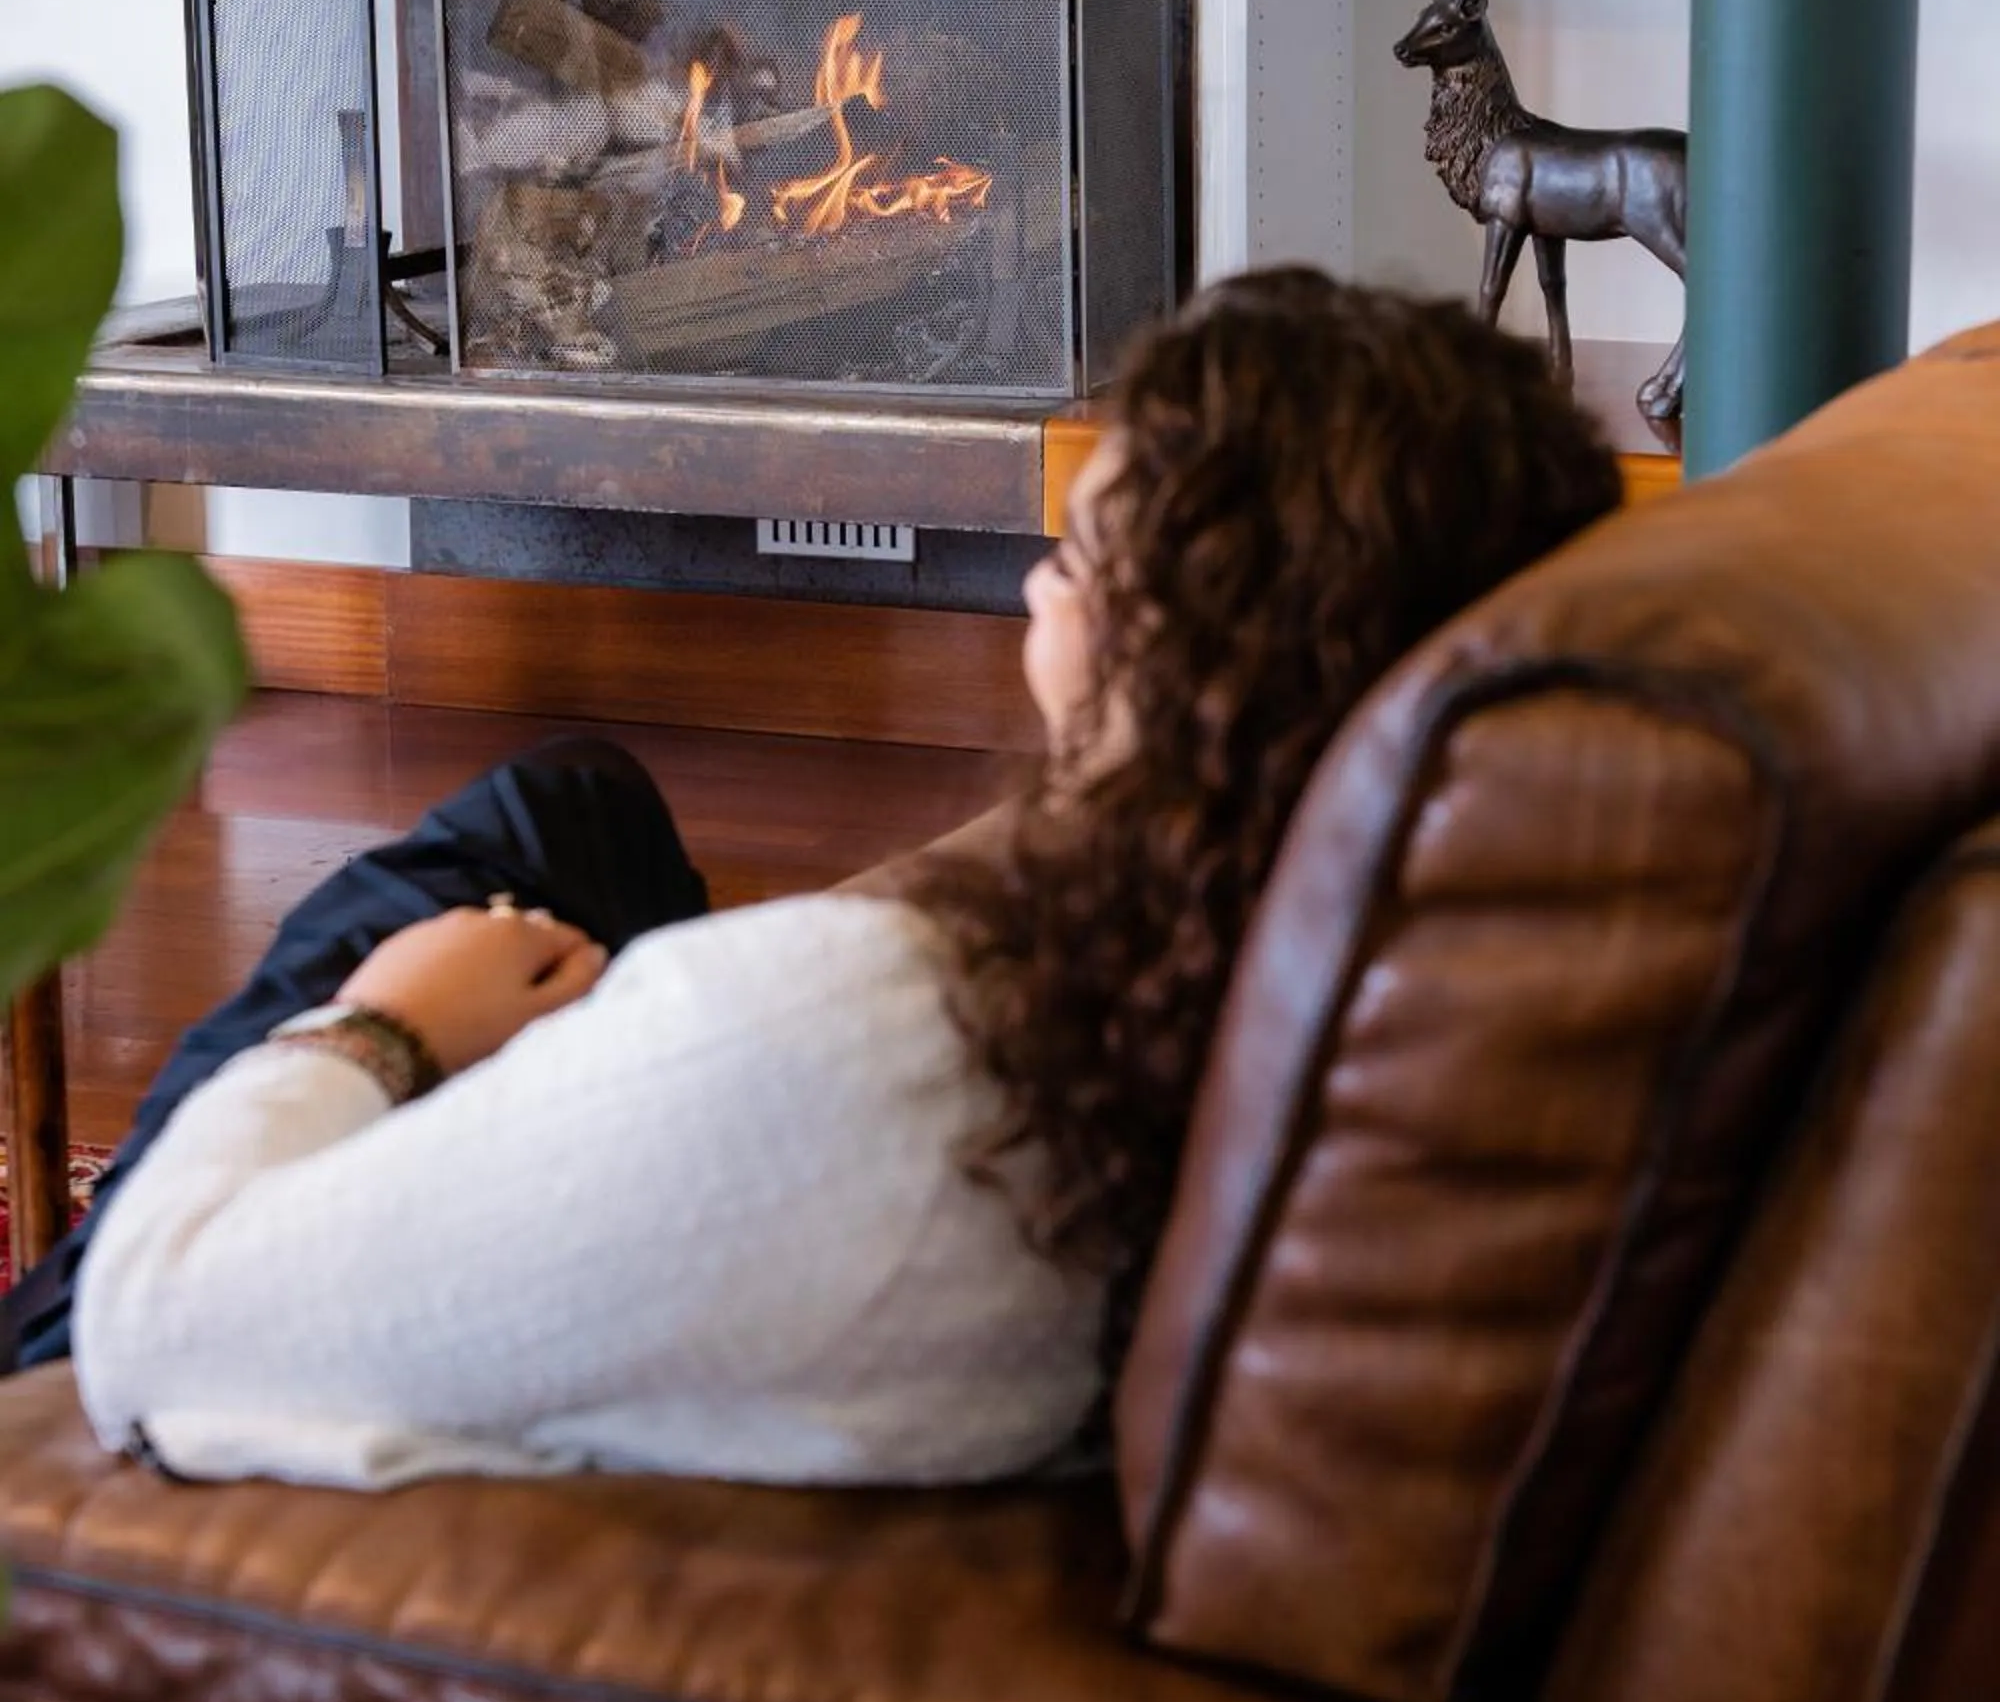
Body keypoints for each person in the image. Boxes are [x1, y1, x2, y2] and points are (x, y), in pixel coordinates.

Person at [1, 270, 1620, 1490]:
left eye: (1131, 498)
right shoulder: (1268, 937)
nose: (1083, 490)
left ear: (1211, 625)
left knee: (419, 920)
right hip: (713, 1186)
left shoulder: (833, 1052)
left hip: (138, 1339)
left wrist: (386, 1031)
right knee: (570, 809)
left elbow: (159, 1322)